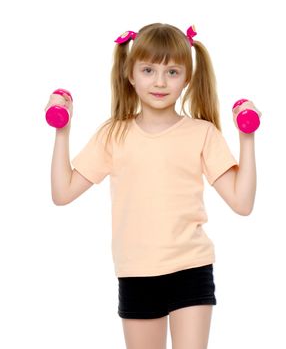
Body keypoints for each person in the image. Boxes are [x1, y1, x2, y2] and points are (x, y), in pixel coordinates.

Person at [47, 22, 261, 349]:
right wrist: (62, 130)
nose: (160, 82)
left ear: (187, 77)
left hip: (191, 267)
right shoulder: (113, 135)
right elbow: (62, 193)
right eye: (148, 70)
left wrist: (247, 137)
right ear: (130, 74)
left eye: (172, 72)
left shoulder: (202, 133)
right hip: (136, 273)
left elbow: (242, 203)